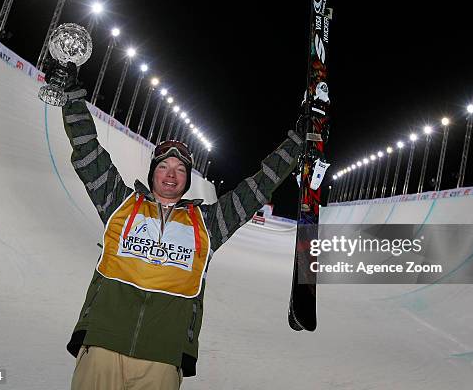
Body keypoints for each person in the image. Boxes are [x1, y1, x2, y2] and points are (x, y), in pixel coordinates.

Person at [49, 61, 304, 389]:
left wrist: (297, 143)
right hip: (102, 346)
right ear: (153, 171)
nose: (171, 174)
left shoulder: (209, 223)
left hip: (163, 358)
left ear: (187, 180)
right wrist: (72, 97)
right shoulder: (119, 203)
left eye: (180, 170)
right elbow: (88, 152)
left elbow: (257, 189)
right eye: (164, 166)